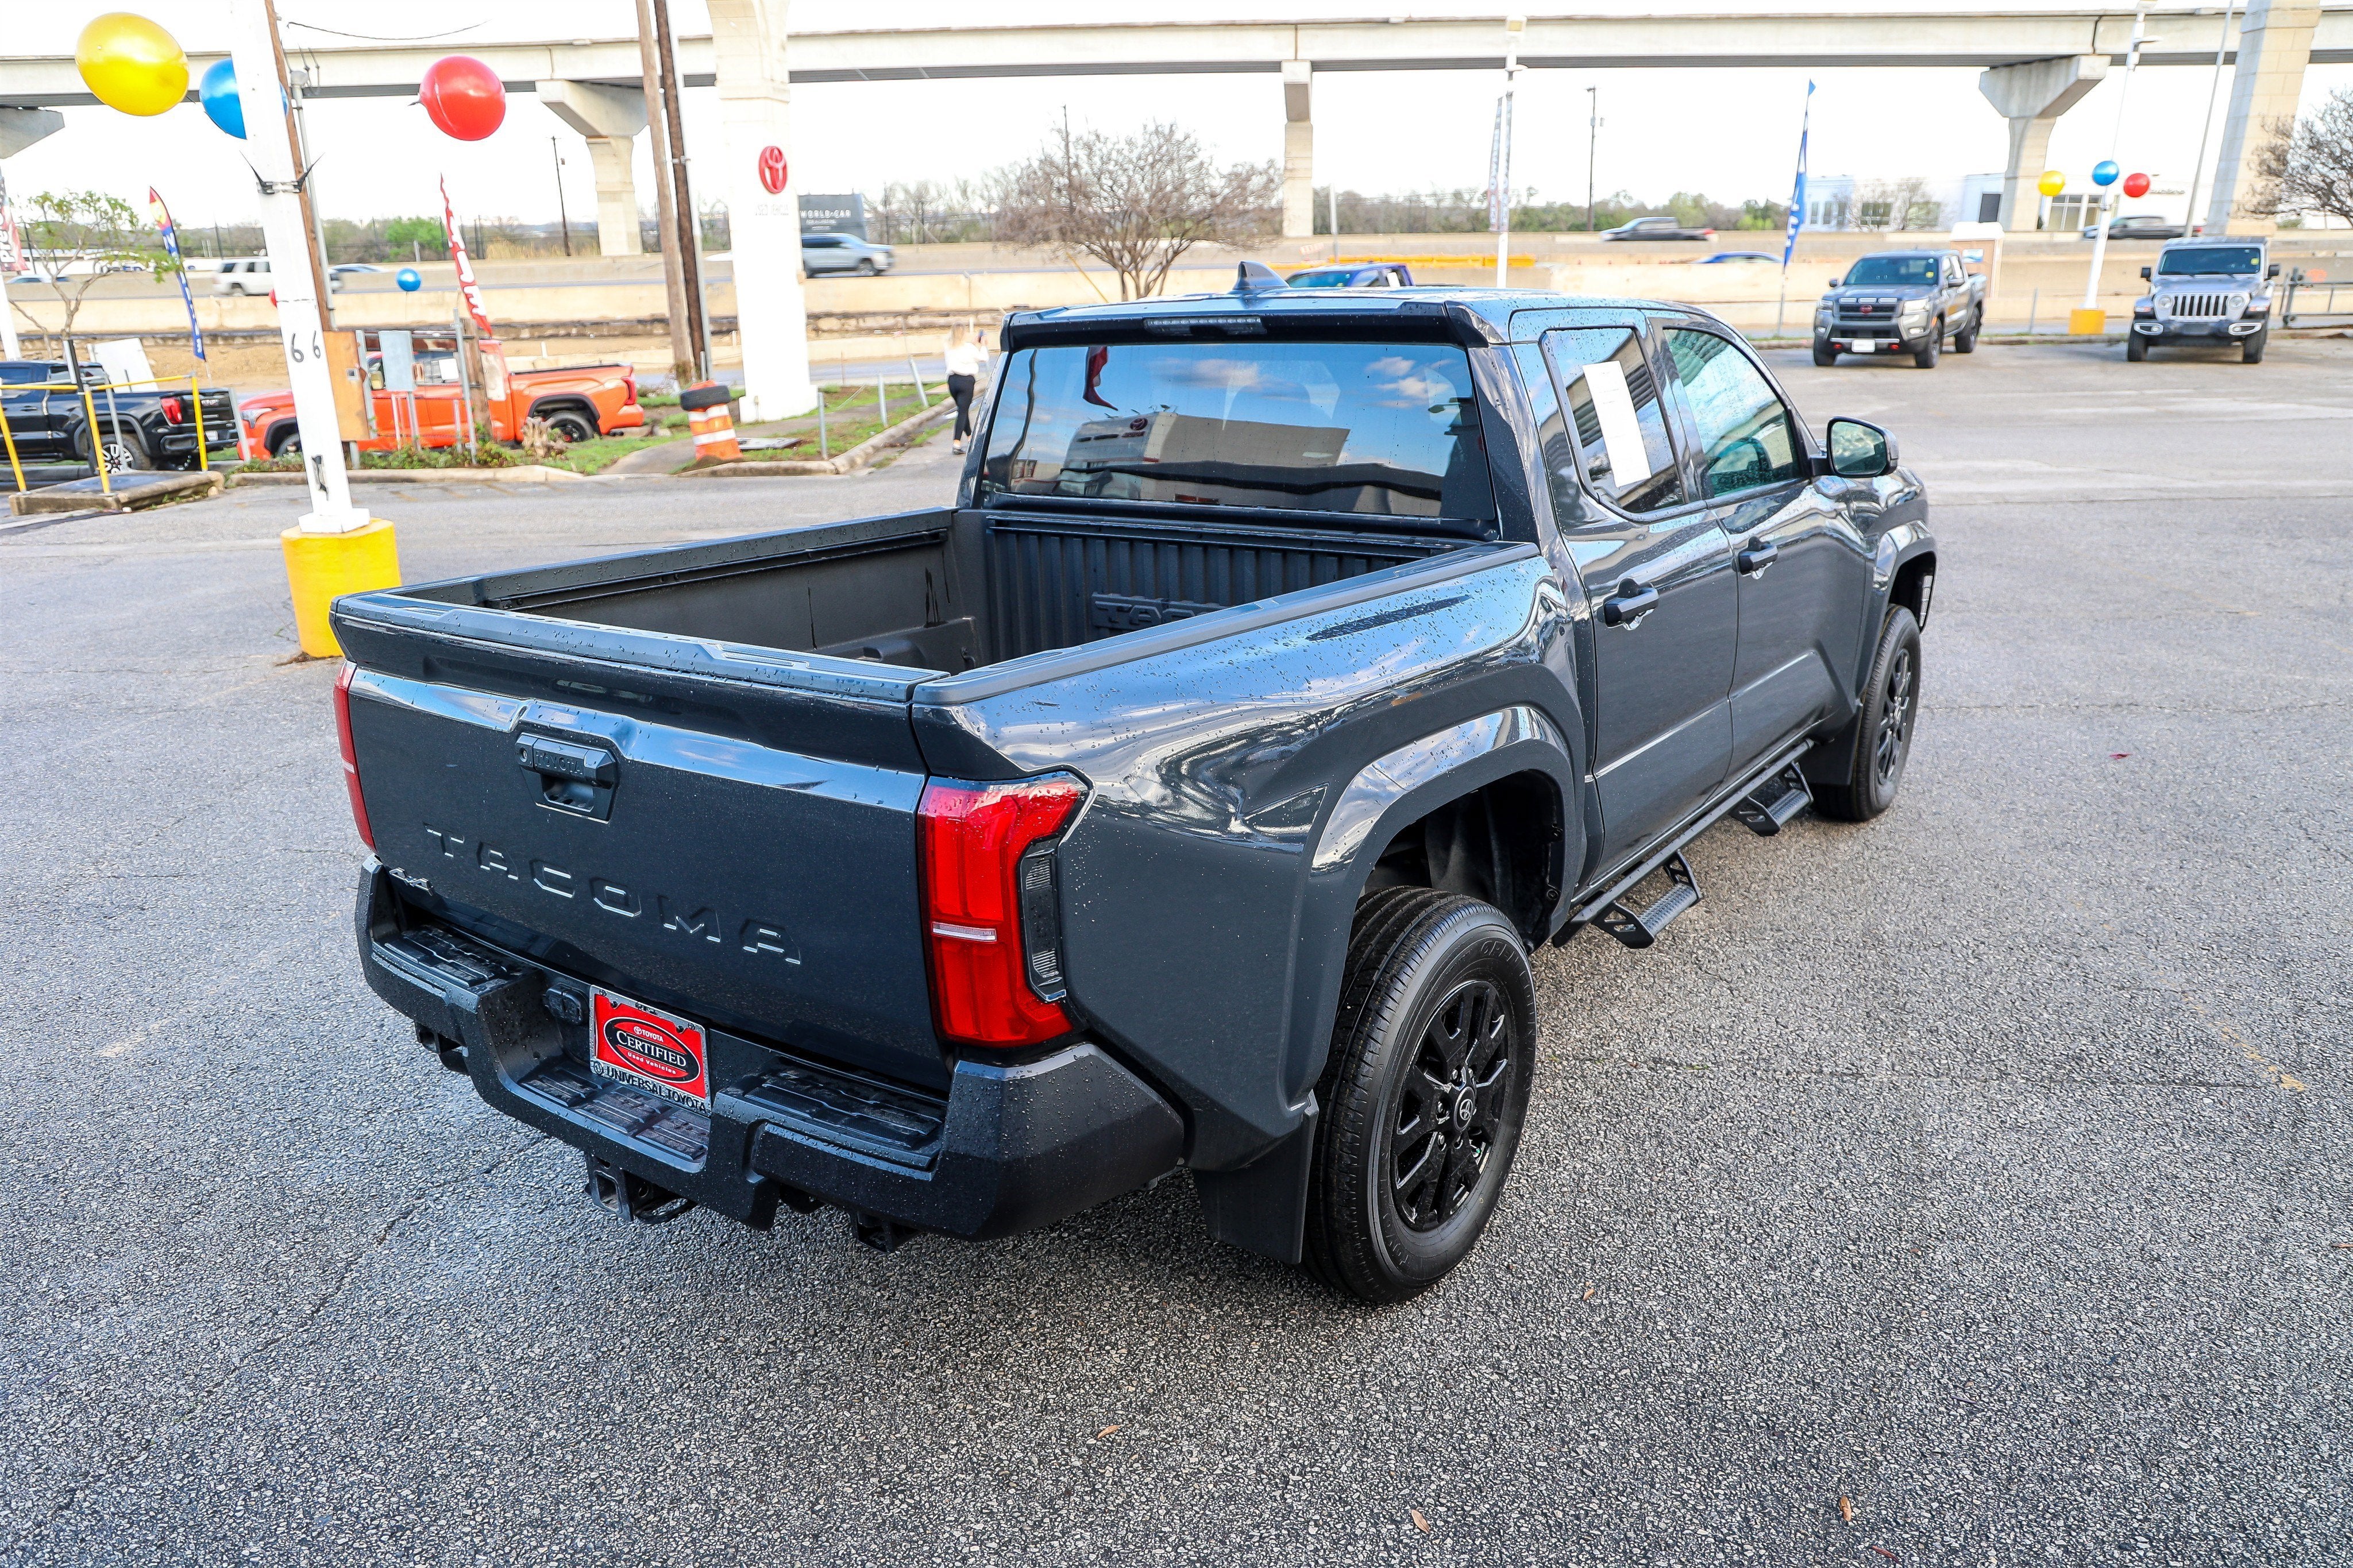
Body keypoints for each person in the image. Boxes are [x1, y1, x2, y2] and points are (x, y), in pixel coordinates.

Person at [944, 327, 988, 454]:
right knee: (963, 411)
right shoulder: (969, 348)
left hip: (952, 381)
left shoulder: (948, 347)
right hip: (966, 382)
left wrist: (973, 344)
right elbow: (983, 358)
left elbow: (961, 351)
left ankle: (970, 437)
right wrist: (983, 344)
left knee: (963, 409)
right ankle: (956, 443)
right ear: (964, 335)